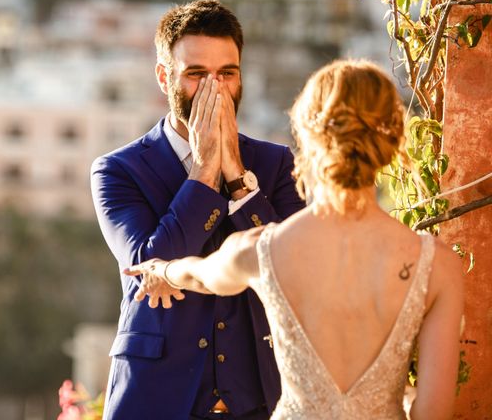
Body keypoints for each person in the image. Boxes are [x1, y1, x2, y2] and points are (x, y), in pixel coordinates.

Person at [126, 59, 464, 419]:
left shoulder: (264, 249)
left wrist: (160, 268)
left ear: (308, 135)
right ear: (393, 136)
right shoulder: (436, 265)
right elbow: (433, 412)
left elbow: (199, 275)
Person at [90, 0, 305, 420]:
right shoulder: (117, 170)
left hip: (264, 397)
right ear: (163, 77)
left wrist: (238, 176)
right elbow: (148, 263)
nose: (214, 89)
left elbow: (291, 266)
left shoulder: (277, 164)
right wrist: (207, 169)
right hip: (157, 399)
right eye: (196, 75)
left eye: (227, 73)